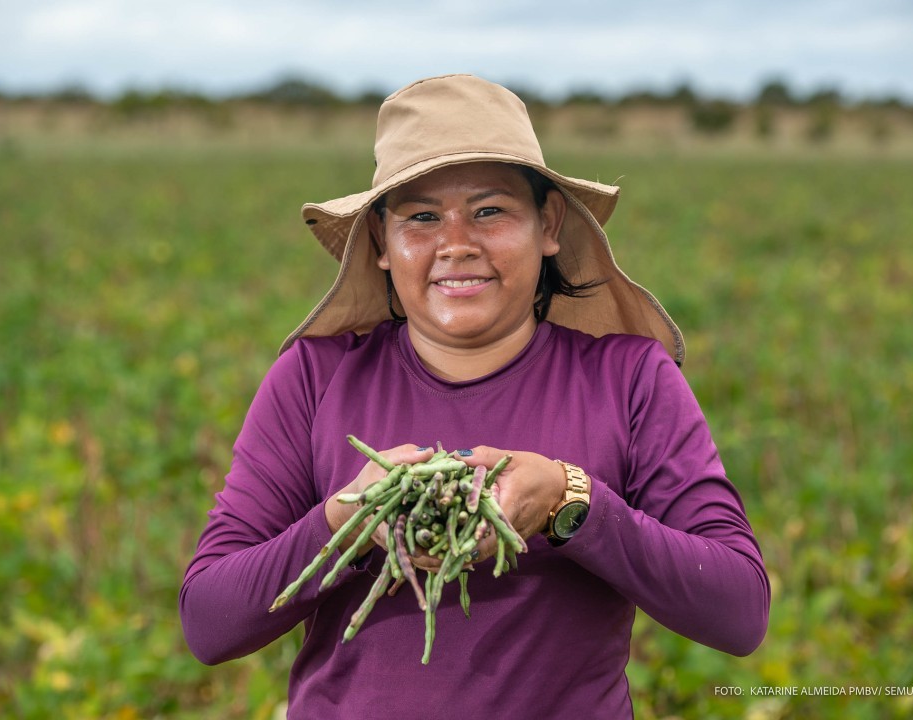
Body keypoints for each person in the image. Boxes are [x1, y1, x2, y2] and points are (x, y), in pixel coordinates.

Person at [180, 74, 769, 718]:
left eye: (490, 211)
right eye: (421, 217)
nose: (456, 243)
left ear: (548, 225)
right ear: (381, 242)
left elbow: (738, 611)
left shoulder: (631, 379)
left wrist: (570, 500)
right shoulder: (314, 378)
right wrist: (351, 524)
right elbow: (210, 621)